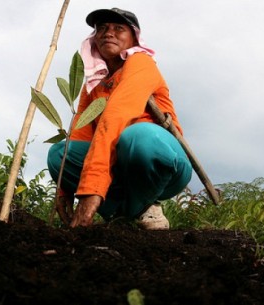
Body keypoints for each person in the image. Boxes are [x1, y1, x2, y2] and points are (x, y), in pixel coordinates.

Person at [47, 8, 192, 229]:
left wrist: (91, 190)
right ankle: (123, 213)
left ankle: (143, 207)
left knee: (138, 136)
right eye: (102, 28)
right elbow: (81, 133)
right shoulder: (94, 83)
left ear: (133, 37)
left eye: (118, 28)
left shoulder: (141, 63)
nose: (108, 33)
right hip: (119, 167)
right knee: (60, 153)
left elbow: (116, 115)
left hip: (162, 162)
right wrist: (63, 189)